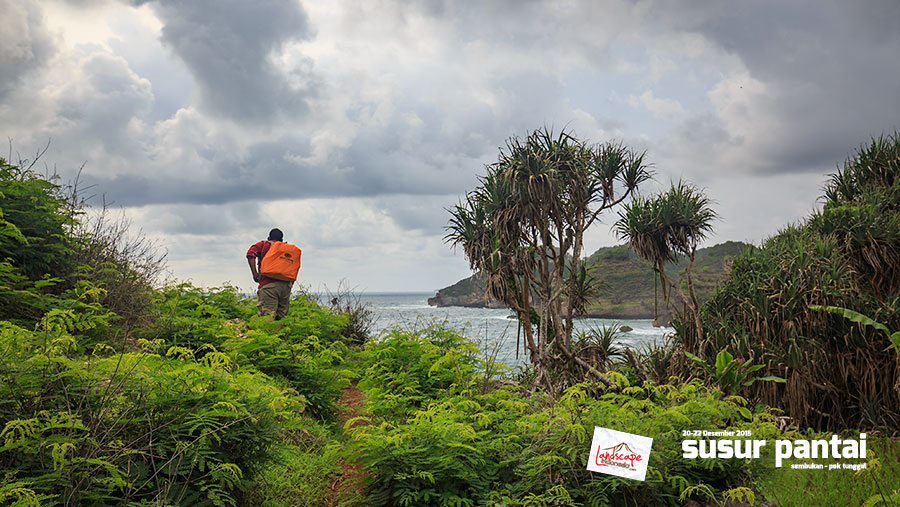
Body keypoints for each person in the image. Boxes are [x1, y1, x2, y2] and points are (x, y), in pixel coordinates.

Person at [247, 228, 293, 320]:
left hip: (268, 286)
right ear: (282, 240)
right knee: (282, 319)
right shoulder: (288, 249)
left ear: (269, 238)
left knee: (267, 317)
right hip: (286, 287)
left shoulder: (264, 245)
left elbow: (250, 254)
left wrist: (255, 274)